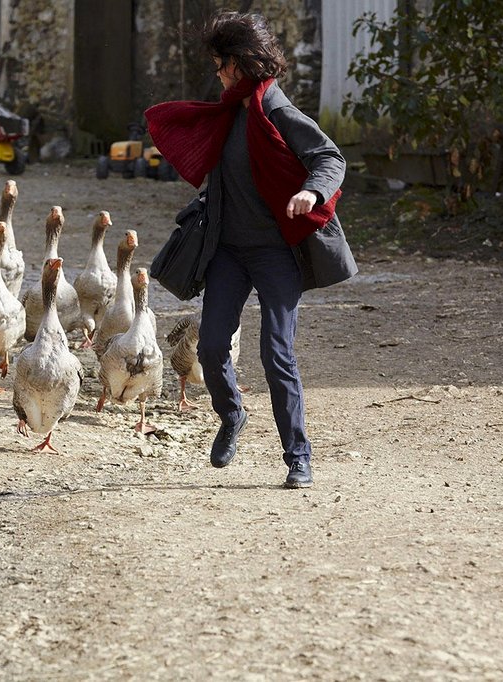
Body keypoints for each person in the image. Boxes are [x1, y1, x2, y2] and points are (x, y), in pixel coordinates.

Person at [145, 10, 357, 488]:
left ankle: (298, 456)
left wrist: (313, 193)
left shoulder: (278, 113)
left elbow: (329, 158)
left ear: (241, 64)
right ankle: (232, 414)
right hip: (228, 253)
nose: (217, 73)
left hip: (276, 254)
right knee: (213, 345)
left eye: (221, 64)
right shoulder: (225, 113)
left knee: (275, 352)